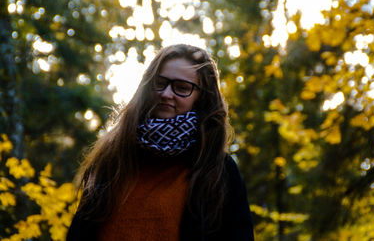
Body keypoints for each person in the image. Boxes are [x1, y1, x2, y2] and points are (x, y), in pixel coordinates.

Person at [67, 44, 254, 240]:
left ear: (201, 97)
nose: (166, 94)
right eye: (160, 83)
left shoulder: (218, 170)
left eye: (182, 88)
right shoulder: (113, 158)